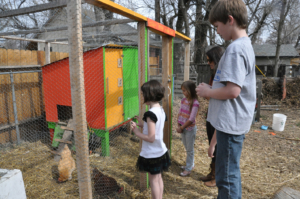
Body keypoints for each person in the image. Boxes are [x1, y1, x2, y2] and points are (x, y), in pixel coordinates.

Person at [196, 0, 256, 198]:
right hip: (230, 124)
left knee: (226, 179)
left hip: (231, 125)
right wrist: (213, 89)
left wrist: (207, 92)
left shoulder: (236, 49)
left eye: (217, 26)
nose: (217, 31)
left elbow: (232, 91)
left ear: (230, 20)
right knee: (229, 174)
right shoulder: (244, 46)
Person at [131, 80, 171, 199]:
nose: (142, 96)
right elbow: (156, 128)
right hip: (161, 151)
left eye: (143, 94)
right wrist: (142, 125)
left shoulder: (150, 114)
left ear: (149, 95)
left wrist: (137, 132)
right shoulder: (161, 110)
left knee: (153, 181)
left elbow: (151, 137)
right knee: (158, 178)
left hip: (152, 154)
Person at [200, 46, 225, 187]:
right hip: (211, 114)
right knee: (212, 143)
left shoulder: (223, 77)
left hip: (219, 116)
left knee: (217, 147)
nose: (209, 63)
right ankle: (213, 172)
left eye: (210, 61)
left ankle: (217, 177)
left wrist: (208, 92)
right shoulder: (213, 76)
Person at [176, 81, 199, 177]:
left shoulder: (195, 103)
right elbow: (180, 112)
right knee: (186, 147)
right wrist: (178, 124)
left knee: (189, 150)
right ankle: (191, 164)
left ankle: (188, 168)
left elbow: (191, 119)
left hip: (189, 129)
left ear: (190, 91)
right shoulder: (183, 100)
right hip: (182, 127)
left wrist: (182, 127)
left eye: (184, 90)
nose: (183, 92)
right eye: (182, 90)